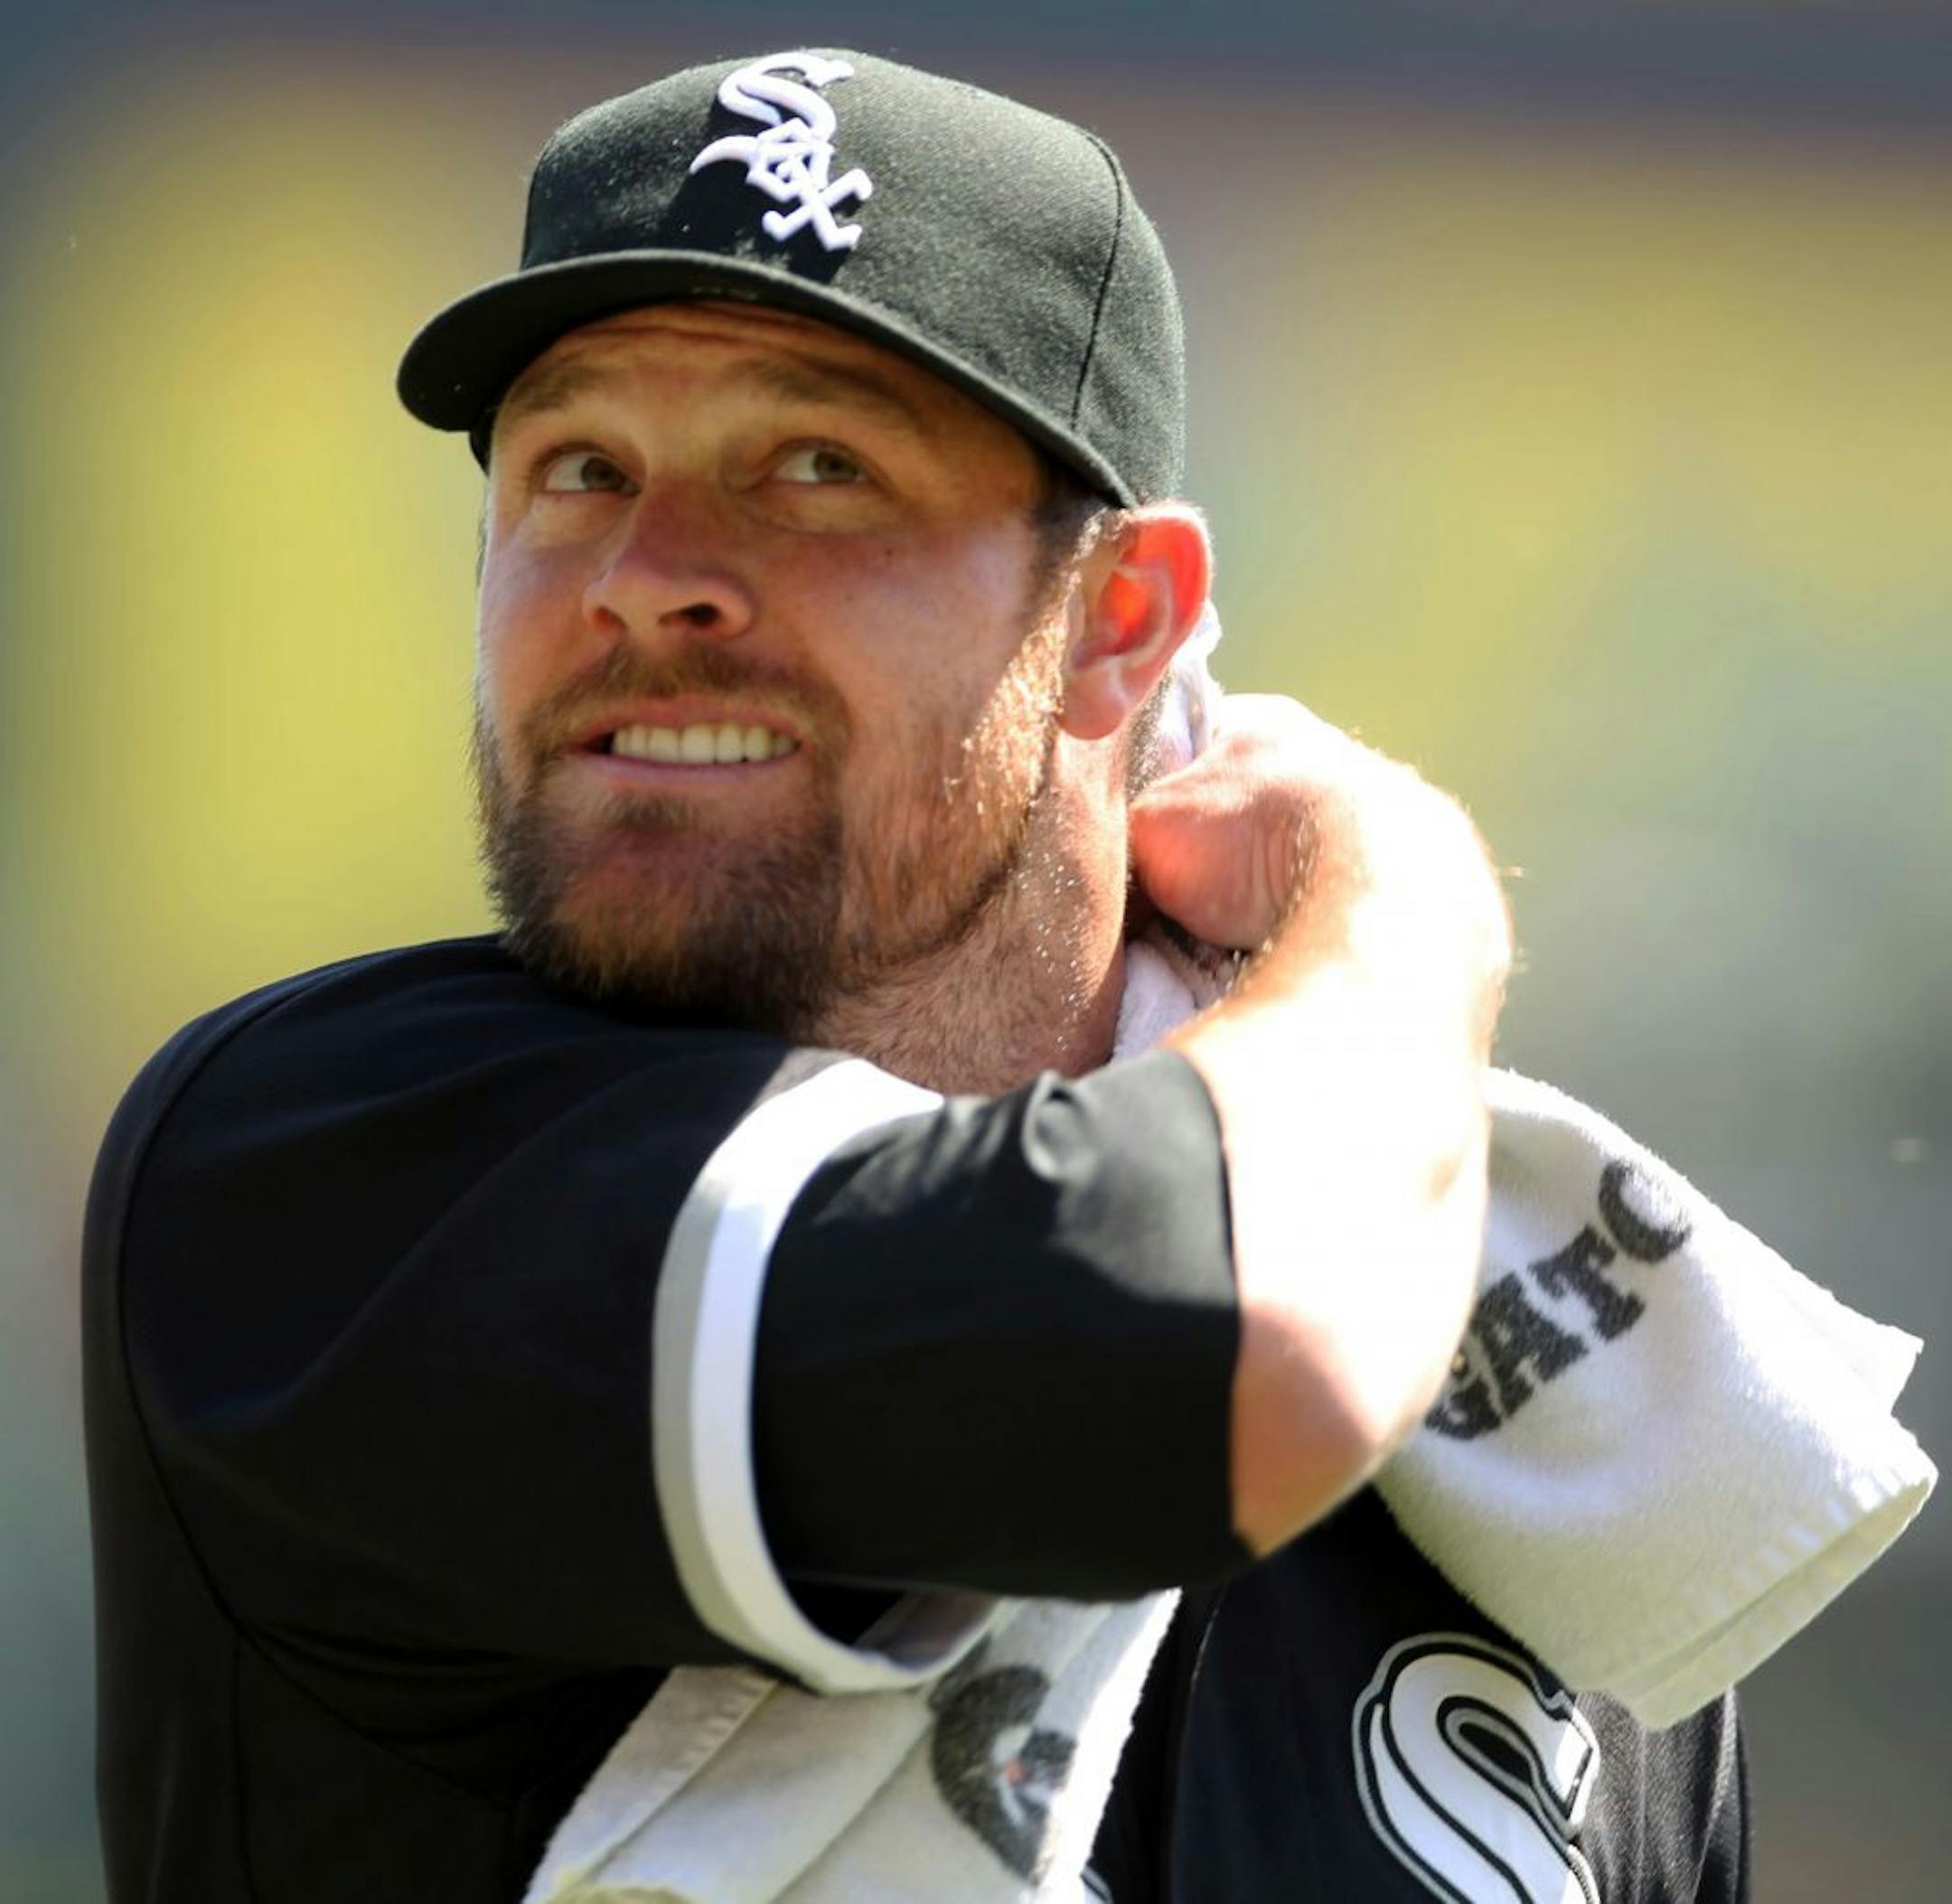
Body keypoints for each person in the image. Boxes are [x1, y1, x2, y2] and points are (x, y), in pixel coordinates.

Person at [81, 49, 1746, 1902]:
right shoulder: (326, 1175)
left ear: (1120, 622)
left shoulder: (1530, 1473)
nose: (647, 576)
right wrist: (1407, 880)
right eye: (577, 466)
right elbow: (1209, 1346)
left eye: (816, 465)